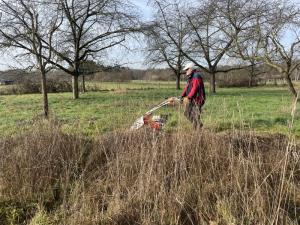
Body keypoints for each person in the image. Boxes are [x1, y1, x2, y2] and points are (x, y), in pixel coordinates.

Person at [180, 62, 206, 129]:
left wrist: (188, 97)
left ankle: (198, 128)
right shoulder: (190, 77)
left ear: (191, 69)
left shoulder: (196, 76)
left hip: (197, 100)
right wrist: (182, 96)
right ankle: (198, 125)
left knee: (196, 115)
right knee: (186, 113)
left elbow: (195, 88)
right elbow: (187, 87)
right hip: (191, 100)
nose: (186, 71)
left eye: (187, 69)